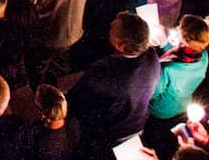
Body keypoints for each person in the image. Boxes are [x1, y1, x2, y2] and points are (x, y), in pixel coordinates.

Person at [67, 11, 162, 146]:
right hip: (137, 123)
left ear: (121, 46)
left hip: (112, 131)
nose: (111, 24)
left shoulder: (104, 73)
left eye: (113, 29)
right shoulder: (152, 56)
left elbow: (78, 98)